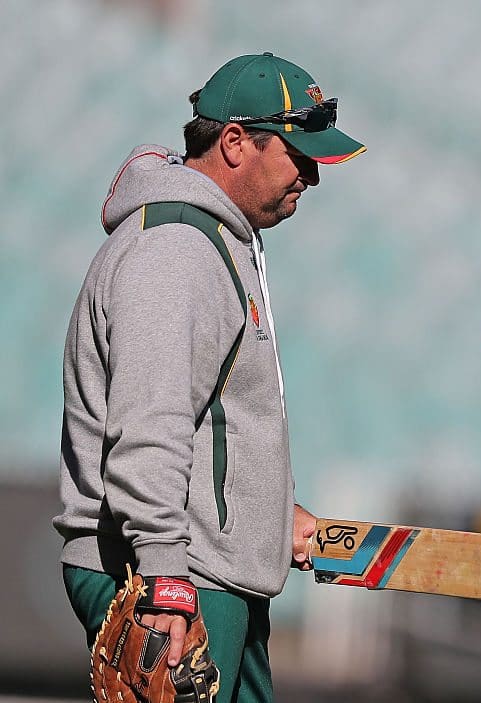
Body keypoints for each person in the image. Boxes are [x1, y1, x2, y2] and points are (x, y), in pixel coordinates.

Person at [54, 52, 365, 702]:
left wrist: (268, 516)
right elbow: (151, 421)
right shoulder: (176, 250)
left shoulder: (214, 241)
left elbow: (216, 423)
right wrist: (166, 574)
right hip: (167, 573)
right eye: (299, 153)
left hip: (207, 570)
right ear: (232, 142)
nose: (312, 174)